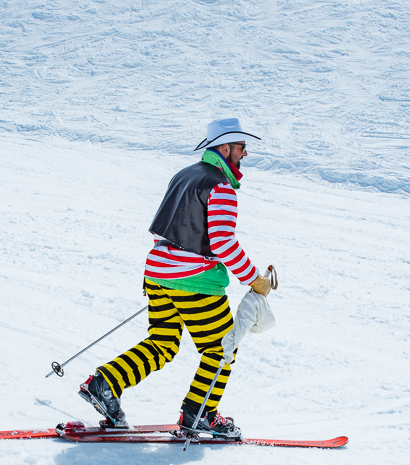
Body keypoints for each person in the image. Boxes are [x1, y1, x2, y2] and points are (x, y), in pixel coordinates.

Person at [78, 118, 273, 438]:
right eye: (241, 146)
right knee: (222, 348)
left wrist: (169, 274)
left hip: (157, 273)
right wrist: (254, 279)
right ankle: (200, 414)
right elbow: (223, 242)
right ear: (225, 148)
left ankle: (104, 384)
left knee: (162, 344)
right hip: (195, 281)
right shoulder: (220, 186)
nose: (245, 153)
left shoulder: (183, 174)